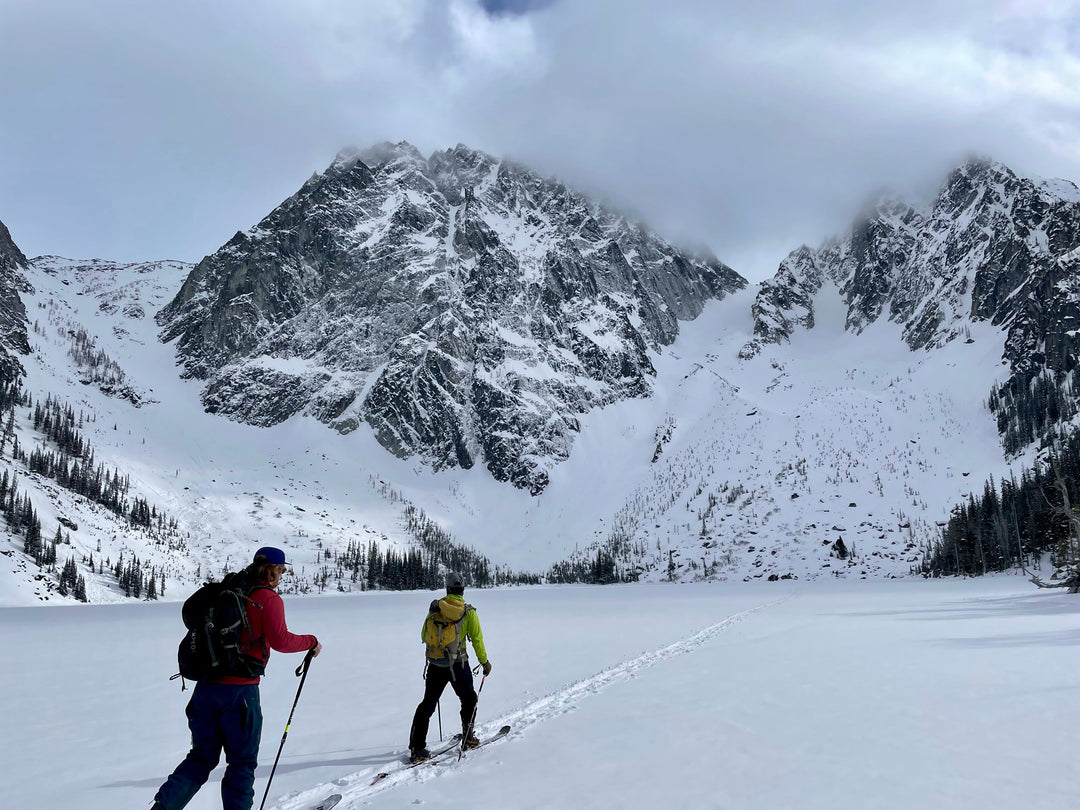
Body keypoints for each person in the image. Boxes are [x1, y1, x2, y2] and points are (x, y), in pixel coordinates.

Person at [151, 547, 322, 810]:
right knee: (241, 763)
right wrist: (312, 642)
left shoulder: (228, 594)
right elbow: (281, 641)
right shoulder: (267, 598)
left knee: (200, 758)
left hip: (206, 689)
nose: (282, 575)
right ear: (275, 570)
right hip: (241, 695)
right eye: (282, 570)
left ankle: (162, 807)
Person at [408, 571, 492, 762]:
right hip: (458, 665)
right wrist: (484, 662)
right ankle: (468, 738)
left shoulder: (435, 608)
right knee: (469, 699)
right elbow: (477, 640)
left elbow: (423, 635)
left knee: (427, 704)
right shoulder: (468, 612)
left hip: (435, 665)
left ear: (447, 589)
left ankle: (417, 747)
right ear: (462, 590)